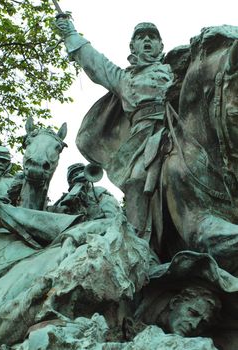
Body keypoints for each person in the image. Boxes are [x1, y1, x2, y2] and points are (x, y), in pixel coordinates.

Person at [55, 17, 173, 245]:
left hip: (178, 127)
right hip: (145, 139)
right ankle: (137, 241)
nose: (147, 40)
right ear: (132, 47)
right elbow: (95, 62)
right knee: (137, 179)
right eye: (141, 37)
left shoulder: (175, 67)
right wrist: (70, 33)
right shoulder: (124, 78)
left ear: (161, 46)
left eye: (152, 37)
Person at [124, 285, 221, 339]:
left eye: (202, 324)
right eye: (192, 313)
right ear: (175, 302)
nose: (194, 325)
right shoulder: (134, 301)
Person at [49, 162, 121, 220]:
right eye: (75, 175)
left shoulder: (100, 193)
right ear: (70, 182)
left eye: (82, 172)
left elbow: (112, 217)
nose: (80, 175)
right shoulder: (63, 199)